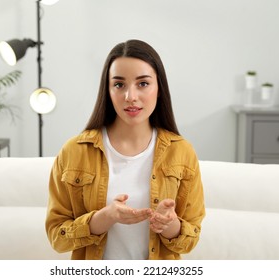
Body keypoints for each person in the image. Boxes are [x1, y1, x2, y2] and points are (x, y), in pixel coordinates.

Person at [46, 39, 205, 260]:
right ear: (107, 91)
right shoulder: (74, 151)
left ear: (159, 88)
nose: (130, 96)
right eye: (119, 84)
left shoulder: (182, 152)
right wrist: (103, 218)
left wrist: (169, 225)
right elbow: (57, 237)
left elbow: (191, 239)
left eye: (143, 83)